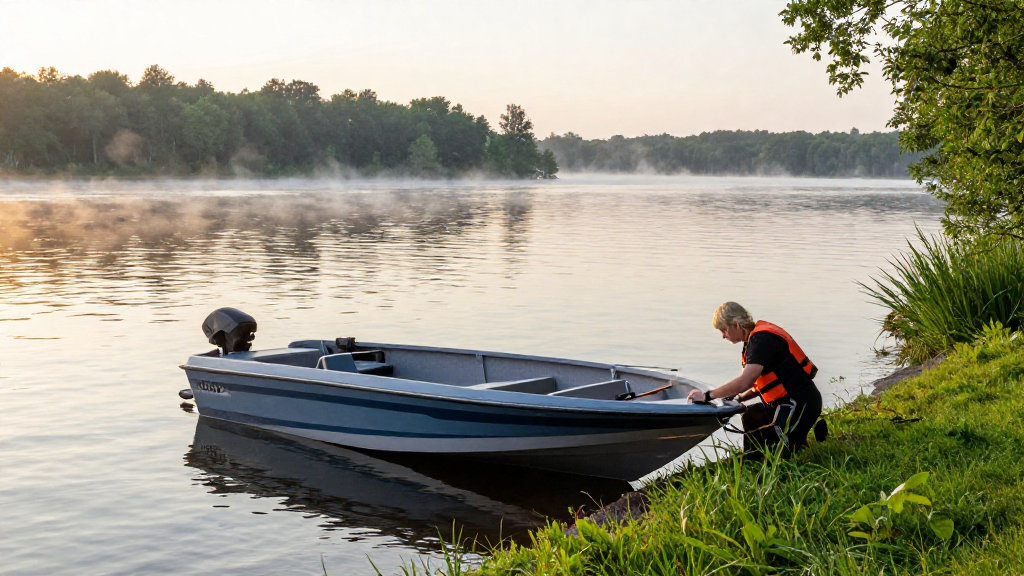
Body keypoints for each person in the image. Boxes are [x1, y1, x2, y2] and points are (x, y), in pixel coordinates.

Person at [687, 302, 825, 454]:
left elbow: (745, 381)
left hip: (800, 404)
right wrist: (740, 398)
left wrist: (707, 396)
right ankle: (756, 459)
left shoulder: (761, 340)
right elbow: (762, 381)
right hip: (786, 403)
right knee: (752, 416)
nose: (723, 335)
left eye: (724, 330)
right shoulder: (755, 339)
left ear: (737, 325)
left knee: (777, 451)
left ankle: (797, 444)